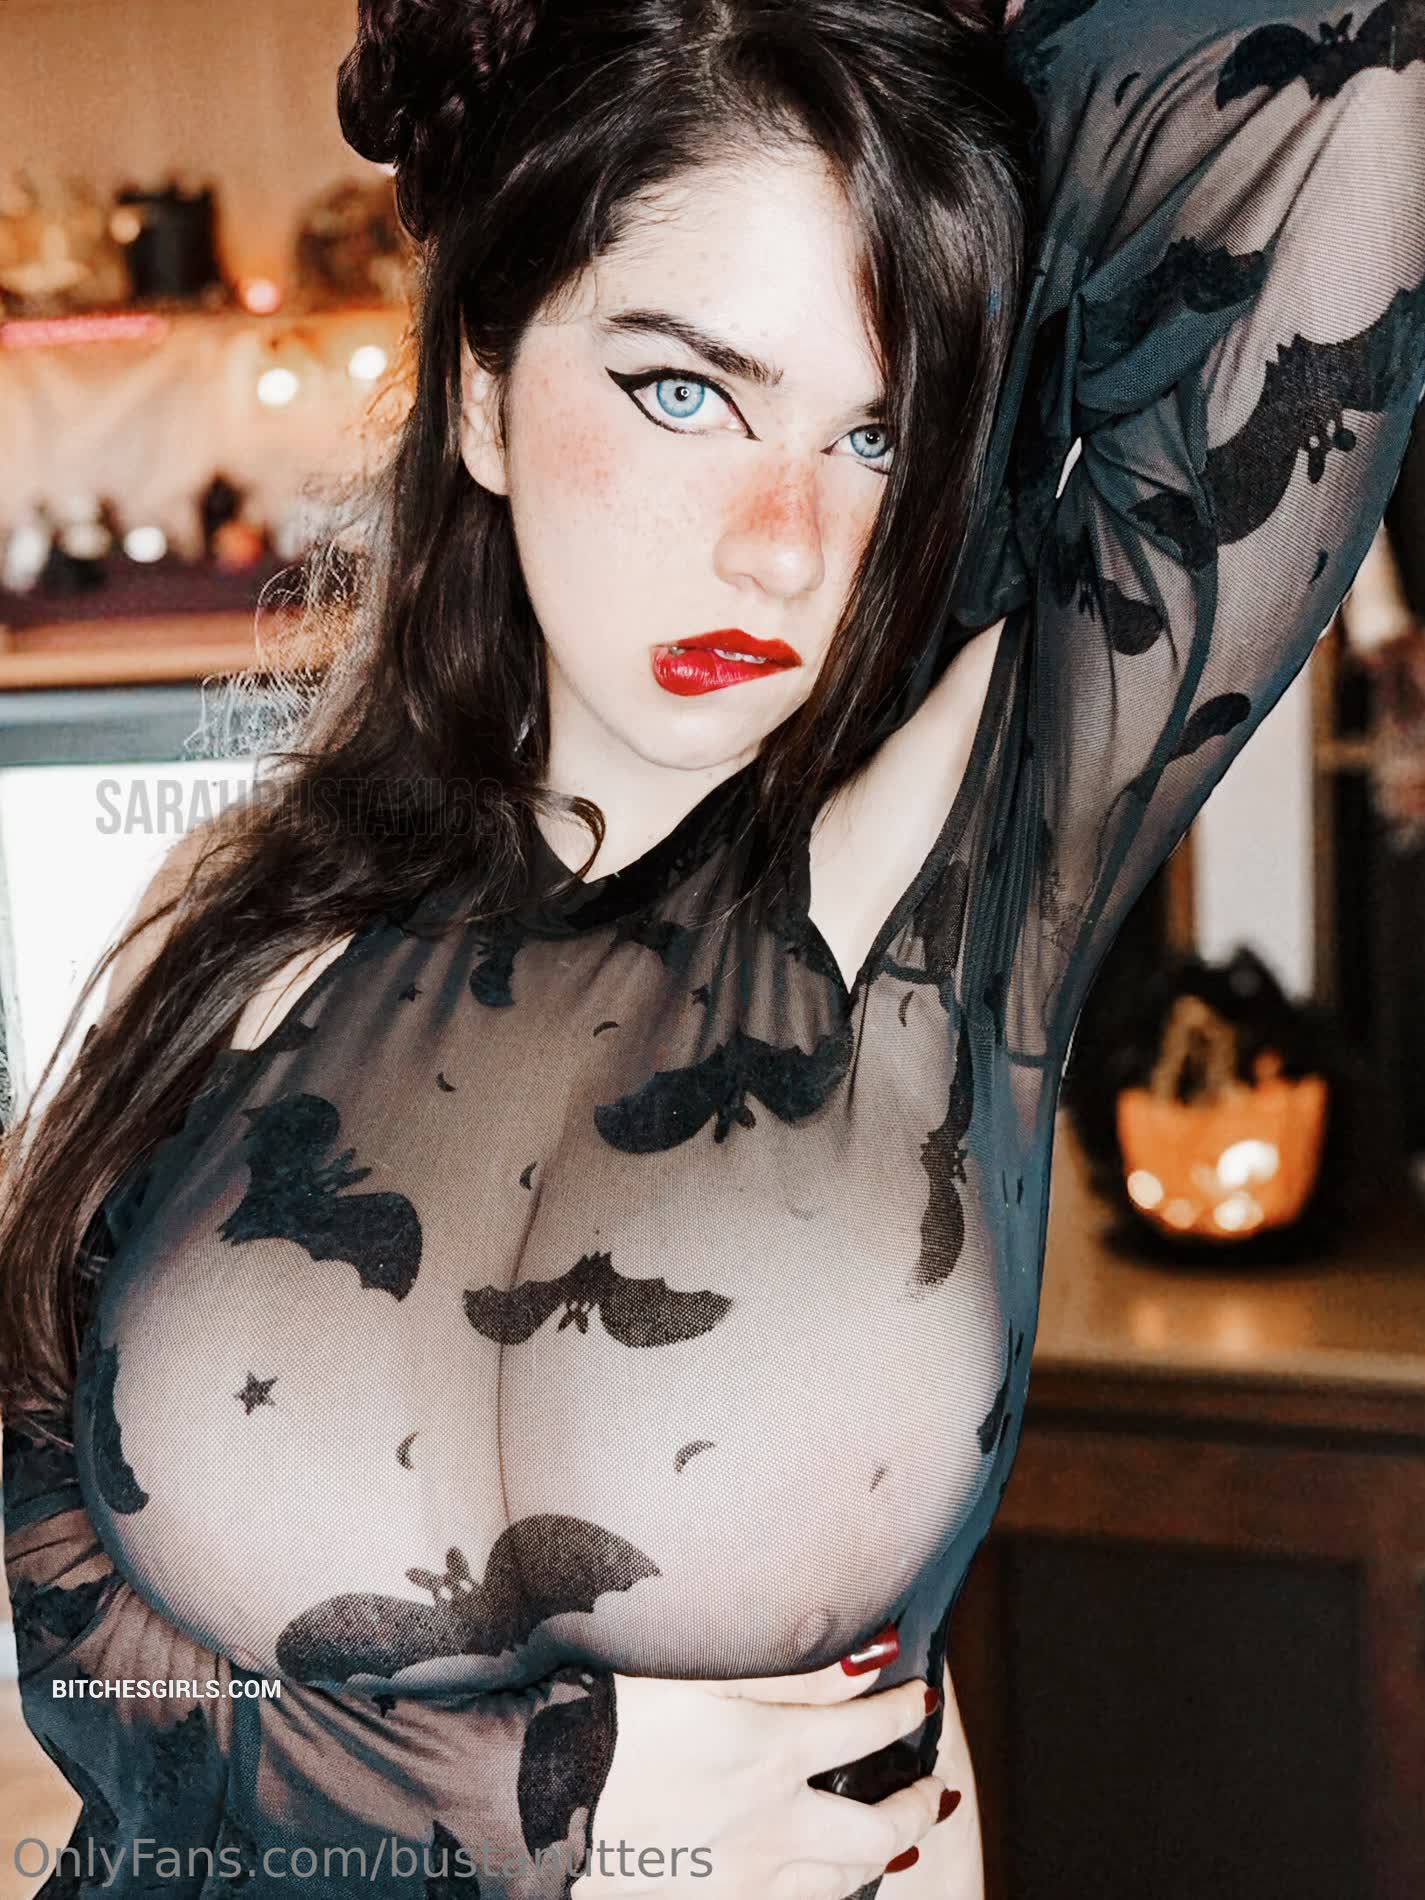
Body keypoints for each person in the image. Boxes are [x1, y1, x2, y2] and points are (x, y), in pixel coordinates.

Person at [3, 2, 1423, 1897]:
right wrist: (544, 1816)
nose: (784, 545)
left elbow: (1346, 92)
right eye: (687, 391)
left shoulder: (960, 865)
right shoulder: (240, 933)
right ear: (482, 394)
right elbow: (76, 1637)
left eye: (871, 433)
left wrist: (918, 98)